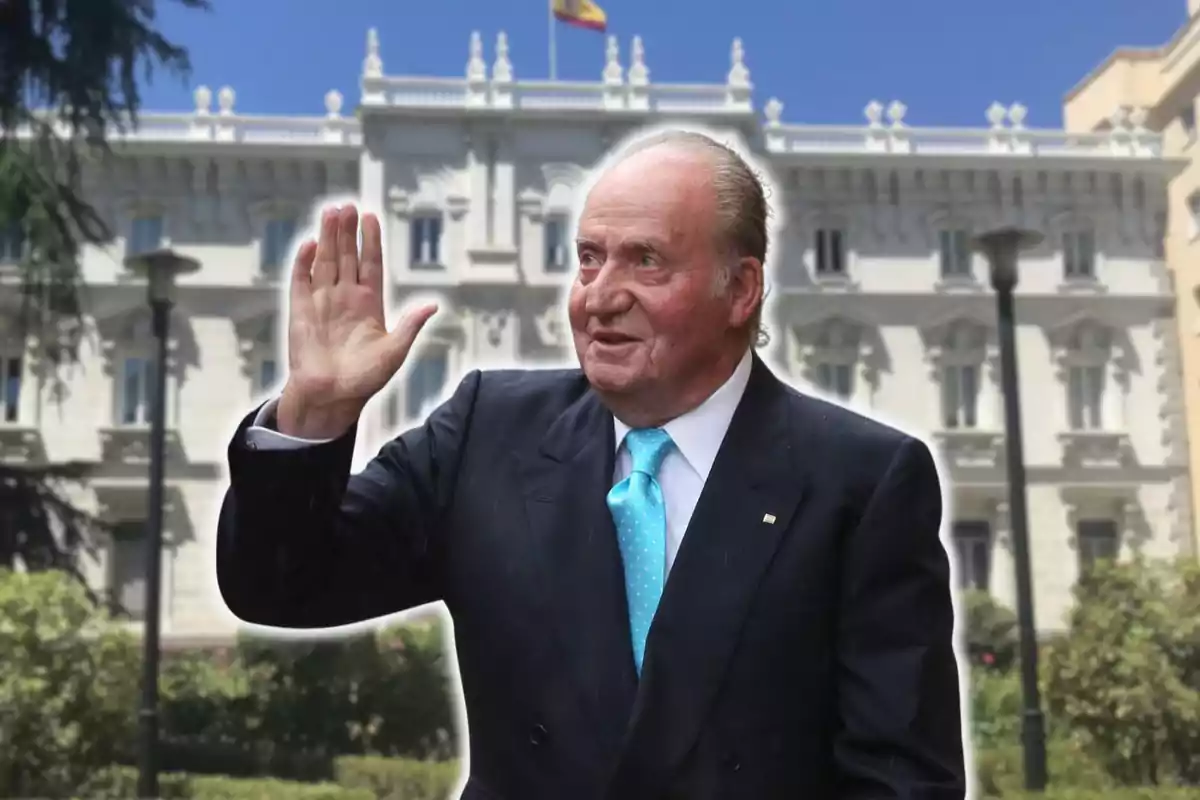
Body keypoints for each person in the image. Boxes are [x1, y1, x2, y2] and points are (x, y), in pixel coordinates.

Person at [215, 129, 966, 799]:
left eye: (646, 261)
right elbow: (282, 586)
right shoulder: (487, 433)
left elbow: (902, 779)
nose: (600, 298)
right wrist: (312, 416)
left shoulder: (862, 481)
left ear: (739, 289)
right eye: (587, 259)